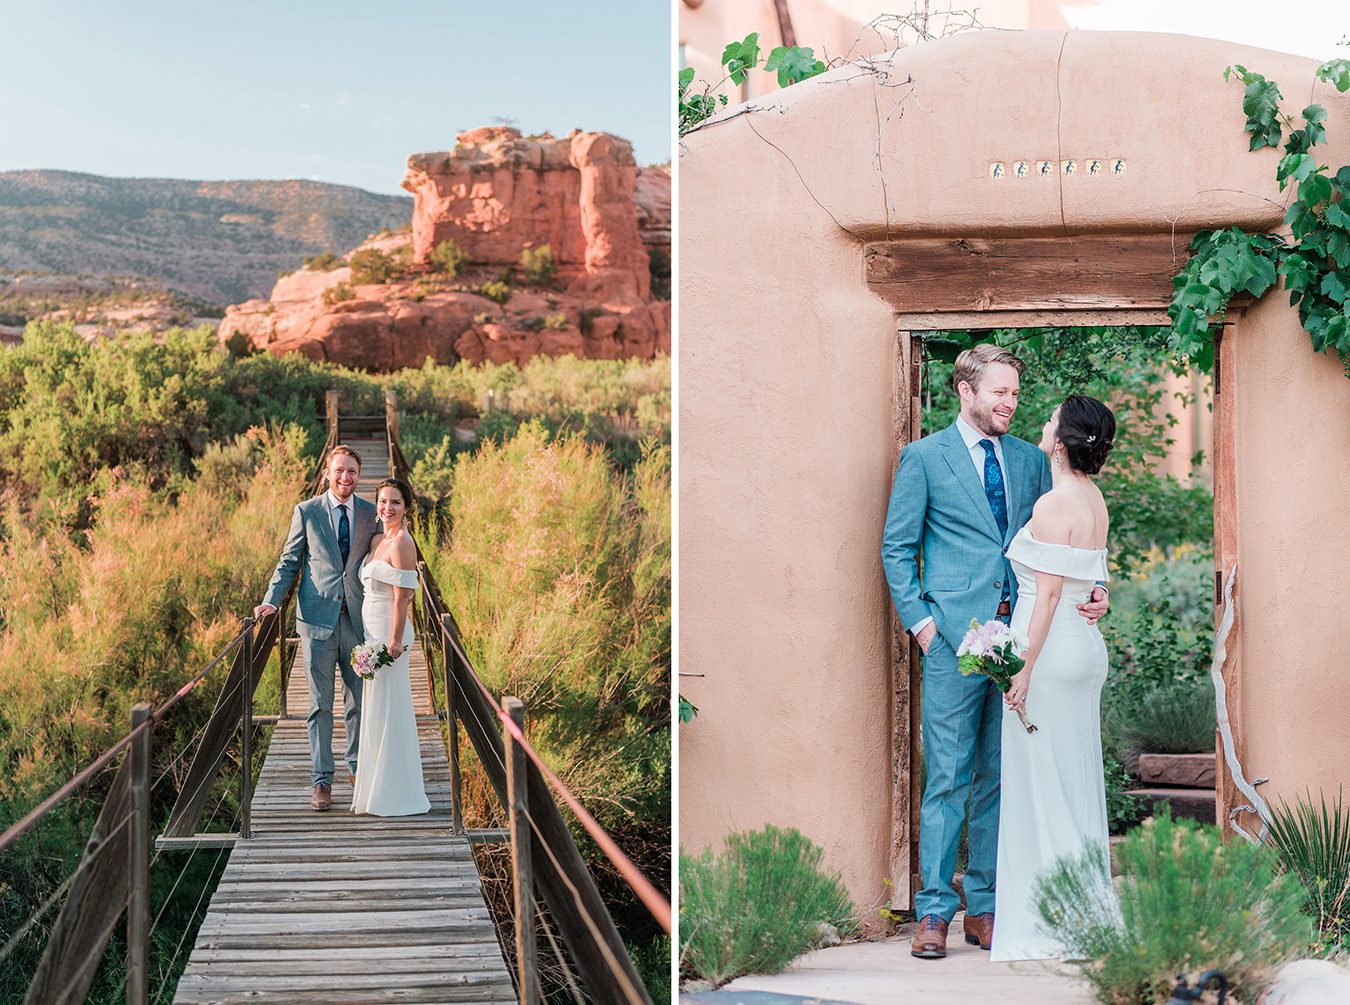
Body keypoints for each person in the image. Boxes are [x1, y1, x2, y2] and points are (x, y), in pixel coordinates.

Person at [881, 344, 1108, 959]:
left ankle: (984, 906)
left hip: (1024, 645)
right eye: (999, 393)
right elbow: (897, 548)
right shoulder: (924, 459)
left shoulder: (1038, 461)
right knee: (948, 777)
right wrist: (925, 628)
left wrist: (1100, 590)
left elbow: (1068, 543)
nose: (1010, 403)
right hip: (955, 644)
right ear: (966, 391)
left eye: (1015, 393)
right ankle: (934, 912)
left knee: (1000, 779)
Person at [990, 395, 1116, 961]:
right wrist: (1101, 598)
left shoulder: (1051, 503)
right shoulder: (1094, 499)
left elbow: (1043, 598)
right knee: (1074, 781)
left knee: (1041, 786)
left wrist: (1022, 670)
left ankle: (1052, 921)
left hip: (1050, 654)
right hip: (1083, 650)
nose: (1040, 423)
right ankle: (1084, 910)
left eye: (1049, 420)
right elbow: (1094, 575)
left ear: (1061, 442)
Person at [255, 445, 377, 812]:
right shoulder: (306, 512)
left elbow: (382, 554)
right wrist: (272, 600)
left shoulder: (372, 514)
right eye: (339, 470)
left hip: (357, 621)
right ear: (327, 472)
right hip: (316, 621)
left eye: (352, 471)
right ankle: (322, 780)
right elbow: (290, 560)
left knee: (358, 702)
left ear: (359, 475)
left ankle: (357, 770)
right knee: (320, 705)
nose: (345, 477)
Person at [350, 477, 430, 817]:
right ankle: (374, 787)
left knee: (391, 710)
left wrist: (395, 641)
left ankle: (395, 792)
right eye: (382, 501)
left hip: (390, 635)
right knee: (377, 710)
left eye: (395, 502)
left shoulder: (402, 543)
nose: (387, 508)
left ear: (406, 507)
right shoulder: (378, 539)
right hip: (371, 632)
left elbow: (403, 597)